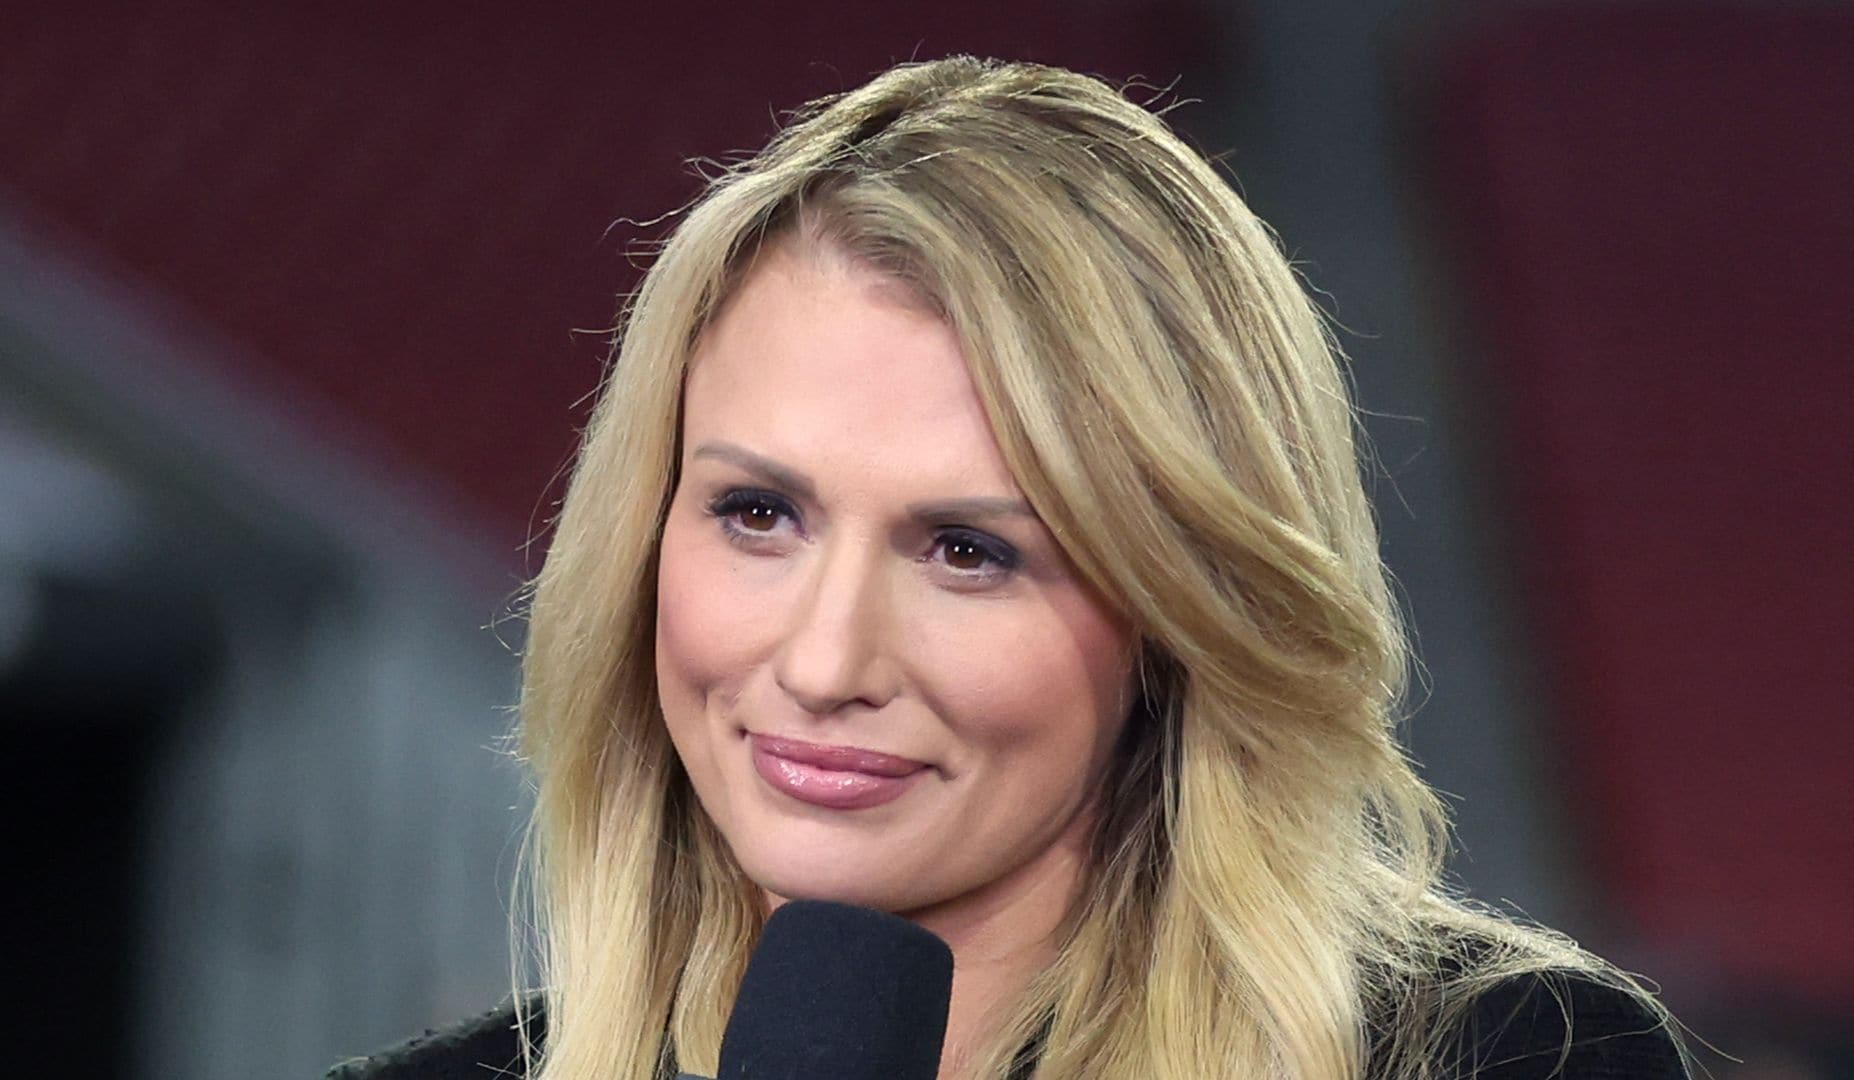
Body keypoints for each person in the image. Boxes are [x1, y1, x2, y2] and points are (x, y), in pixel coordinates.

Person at [328, 56, 1690, 1080]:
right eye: (757, 516)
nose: (823, 662)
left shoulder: (1512, 1059)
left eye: (969, 551)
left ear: (1178, 606)